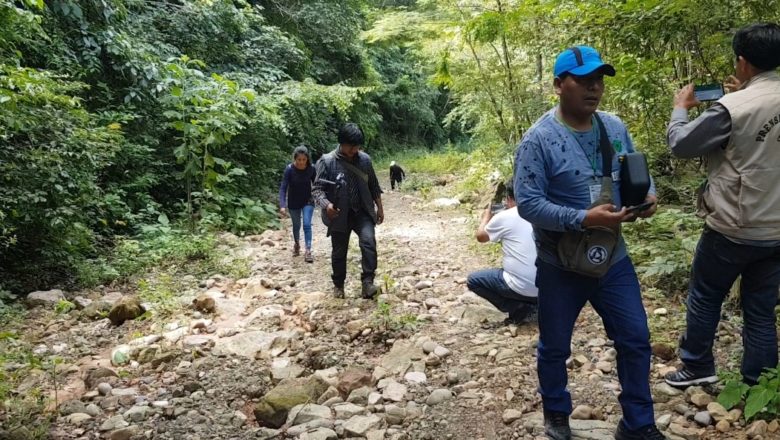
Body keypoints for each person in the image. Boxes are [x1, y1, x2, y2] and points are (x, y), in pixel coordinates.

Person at [514, 46, 663, 440]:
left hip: (612, 256)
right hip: (560, 262)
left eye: (599, 80)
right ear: (558, 85)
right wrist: (581, 217)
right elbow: (528, 203)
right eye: (582, 80)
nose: (593, 88)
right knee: (555, 346)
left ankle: (638, 423)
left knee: (634, 337)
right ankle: (557, 415)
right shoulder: (538, 140)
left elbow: (638, 174)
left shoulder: (614, 127)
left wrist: (647, 198)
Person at [664, 23, 780, 389]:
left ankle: (697, 366)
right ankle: (759, 384)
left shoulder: (732, 107)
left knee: (705, 296)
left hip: (734, 227)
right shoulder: (742, 101)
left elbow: (682, 145)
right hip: (776, 231)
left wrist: (681, 109)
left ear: (743, 62)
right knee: (760, 311)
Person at [312, 123, 384, 299]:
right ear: (341, 143)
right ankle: (338, 285)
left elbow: (373, 185)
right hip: (338, 213)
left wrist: (379, 207)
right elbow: (317, 190)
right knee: (339, 251)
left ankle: (367, 283)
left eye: (357, 146)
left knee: (368, 242)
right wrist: (327, 205)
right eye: (351, 146)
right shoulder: (327, 162)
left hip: (362, 211)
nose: (354, 150)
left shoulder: (365, 160)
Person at [467, 183, 538, 325]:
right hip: (551, 287)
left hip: (520, 287)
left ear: (509, 198)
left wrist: (486, 217)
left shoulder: (506, 216)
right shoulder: (545, 211)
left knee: (474, 280)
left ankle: (520, 308)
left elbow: (481, 237)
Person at [278, 146, 316, 263]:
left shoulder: (311, 169)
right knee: (296, 225)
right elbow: (283, 188)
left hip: (307, 200)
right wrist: (282, 205)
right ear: (295, 159)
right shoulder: (289, 169)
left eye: (303, 160)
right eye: (299, 159)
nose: (301, 162)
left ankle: (308, 250)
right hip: (293, 201)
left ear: (307, 159)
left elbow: (317, 184)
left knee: (306, 224)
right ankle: (297, 244)